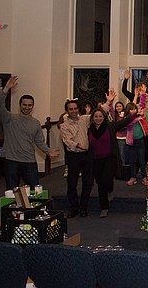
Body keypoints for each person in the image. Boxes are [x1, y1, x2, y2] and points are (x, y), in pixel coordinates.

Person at [0, 76, 59, 190]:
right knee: (12, 191)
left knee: (35, 190)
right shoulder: (9, 118)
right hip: (11, 161)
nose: (27, 107)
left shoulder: (35, 123)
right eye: (24, 105)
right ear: (20, 105)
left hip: (29, 161)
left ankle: (31, 208)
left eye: (29, 105)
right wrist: (6, 89)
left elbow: (39, 142)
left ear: (33, 106)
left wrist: (48, 151)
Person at [90, 89, 138, 217]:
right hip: (96, 161)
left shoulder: (110, 126)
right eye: (96, 116)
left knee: (106, 181)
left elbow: (125, 121)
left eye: (100, 116)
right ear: (92, 118)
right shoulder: (89, 129)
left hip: (110, 159)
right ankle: (104, 208)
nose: (98, 118)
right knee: (100, 184)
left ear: (104, 117)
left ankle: (110, 189)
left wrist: (136, 113)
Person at [59, 98, 93, 218]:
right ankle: (73, 208)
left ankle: (83, 207)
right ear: (67, 111)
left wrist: (108, 102)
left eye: (75, 108)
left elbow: (98, 114)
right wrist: (78, 145)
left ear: (79, 109)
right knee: (72, 183)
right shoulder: (64, 126)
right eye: (71, 109)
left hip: (86, 156)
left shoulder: (84, 119)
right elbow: (67, 140)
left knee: (88, 182)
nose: (74, 111)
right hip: (73, 156)